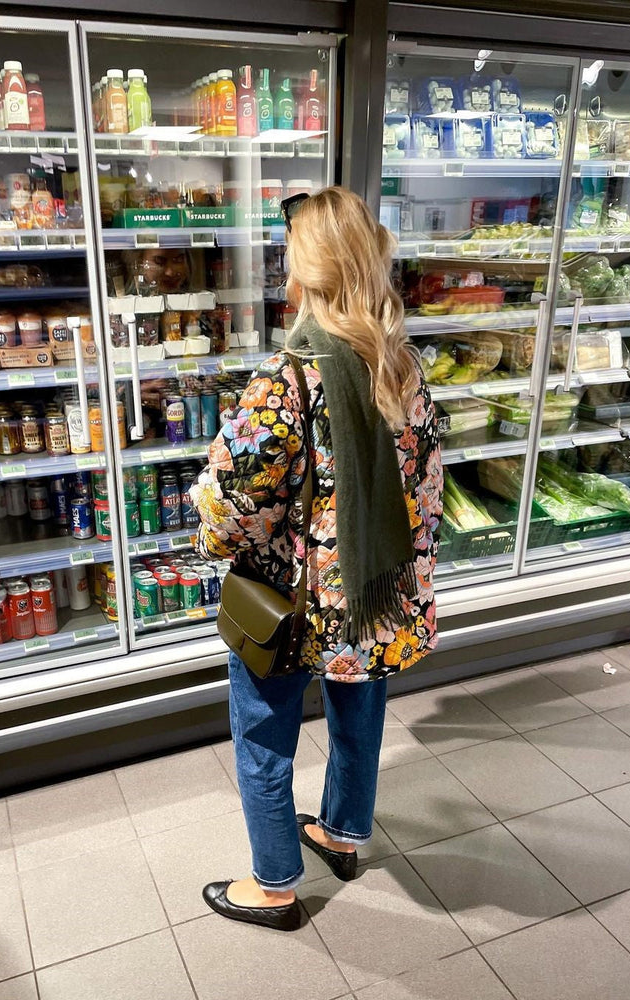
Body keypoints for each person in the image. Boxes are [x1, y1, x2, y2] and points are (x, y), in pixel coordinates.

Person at [190, 186, 443, 932]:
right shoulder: (404, 367)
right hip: (374, 594)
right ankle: (341, 833)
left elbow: (231, 504)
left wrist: (210, 536)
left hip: (290, 602)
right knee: (359, 714)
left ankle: (273, 885)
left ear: (304, 274)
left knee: (263, 731)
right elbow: (426, 493)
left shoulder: (286, 381)